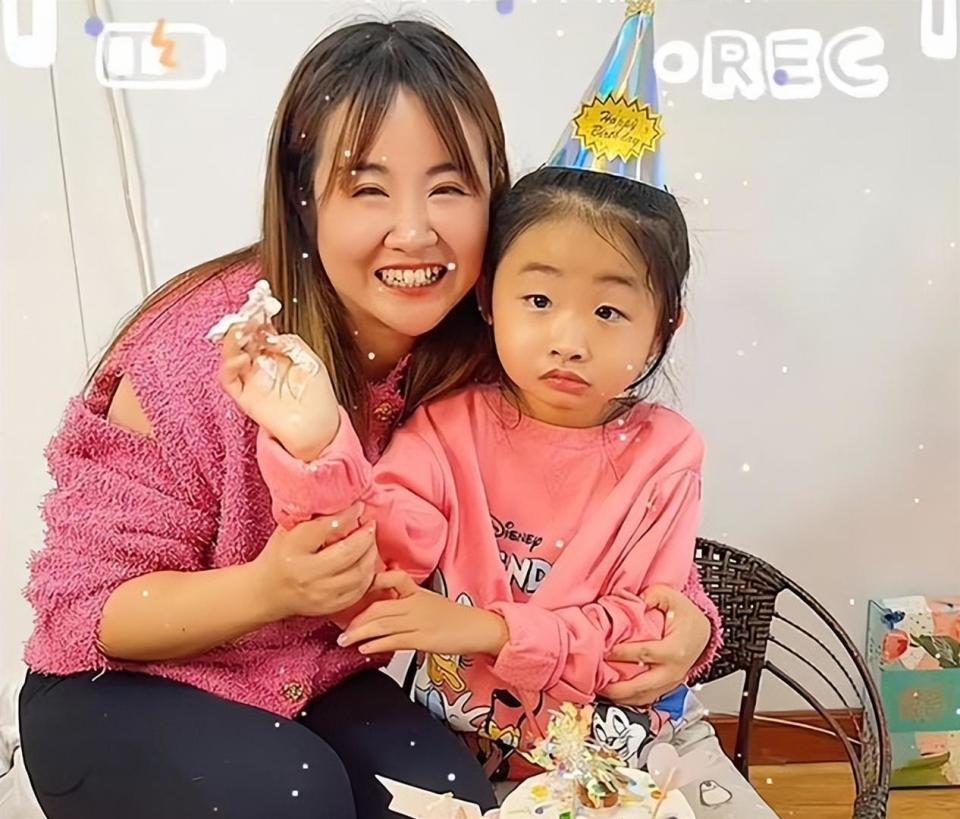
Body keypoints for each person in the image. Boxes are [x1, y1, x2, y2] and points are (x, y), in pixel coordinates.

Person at [18, 16, 720, 819]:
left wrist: (691, 626)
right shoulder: (200, 352)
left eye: (449, 187)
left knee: (445, 801)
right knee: (293, 796)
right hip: (120, 685)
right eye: (368, 187)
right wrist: (269, 586)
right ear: (303, 198)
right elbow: (88, 612)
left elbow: (608, 525)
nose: (414, 231)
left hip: (318, 675)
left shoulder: (509, 347)